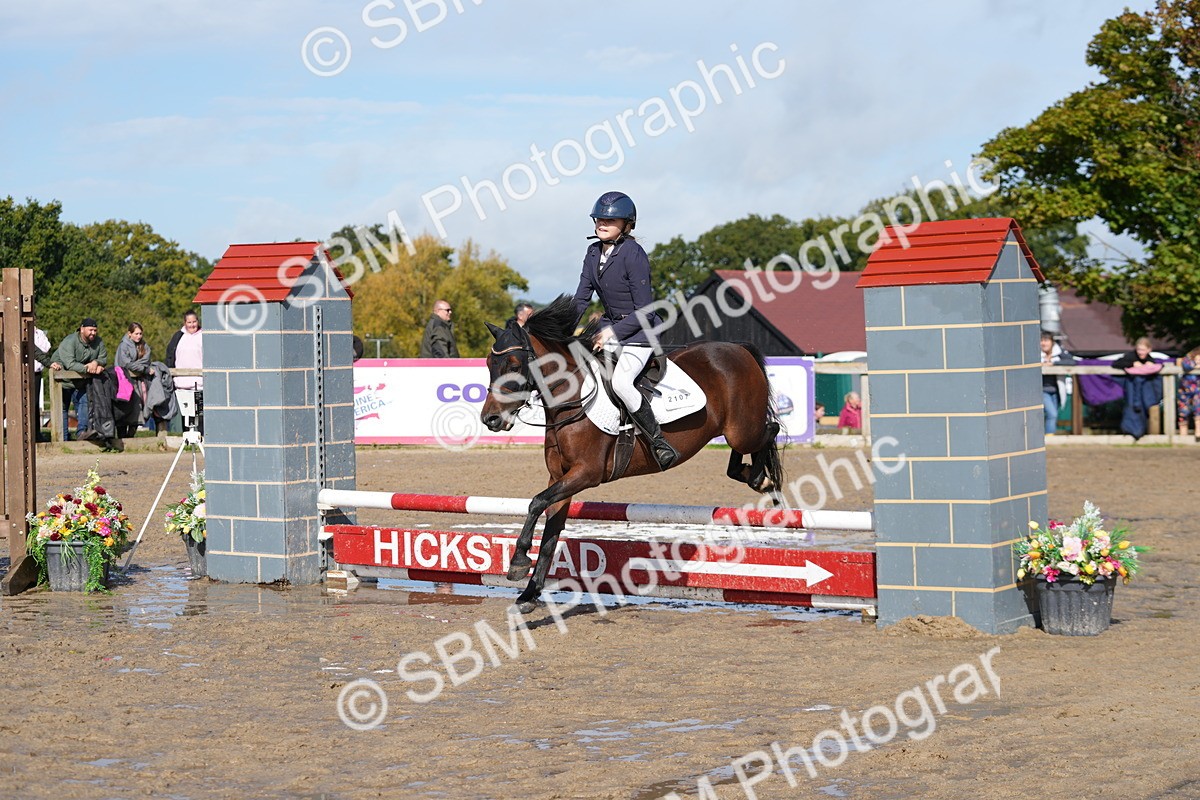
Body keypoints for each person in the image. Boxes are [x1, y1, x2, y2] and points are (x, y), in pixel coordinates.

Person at [571, 190, 678, 470]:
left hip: (639, 332)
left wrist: (614, 332)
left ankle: (658, 442)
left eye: (611, 220)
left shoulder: (633, 254)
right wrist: (563, 329)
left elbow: (646, 310)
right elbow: (582, 298)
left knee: (620, 383)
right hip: (608, 327)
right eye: (599, 220)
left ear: (627, 224)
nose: (602, 224)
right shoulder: (593, 252)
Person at [51, 318, 107, 440]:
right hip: (63, 380)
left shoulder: (98, 341)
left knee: (84, 403)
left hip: (81, 380)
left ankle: (82, 433)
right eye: (90, 330)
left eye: (95, 330)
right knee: (63, 409)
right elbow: (70, 364)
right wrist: (88, 369)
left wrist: (96, 362)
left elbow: (103, 357)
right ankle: (63, 439)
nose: (93, 333)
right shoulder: (70, 341)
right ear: (82, 329)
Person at [1113, 337, 1163, 440]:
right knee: (1131, 407)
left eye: (1143, 350)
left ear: (1149, 350)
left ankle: (1141, 431)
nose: (1140, 352)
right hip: (1132, 389)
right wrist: (1132, 364)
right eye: (1139, 349)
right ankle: (1129, 431)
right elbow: (1116, 364)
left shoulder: (1150, 359)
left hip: (1143, 391)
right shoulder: (1130, 356)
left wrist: (1150, 366)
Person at [166, 310, 204, 433]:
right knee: (186, 415)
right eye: (189, 322)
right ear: (185, 323)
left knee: (199, 414)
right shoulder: (178, 336)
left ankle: (202, 439)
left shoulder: (204, 335)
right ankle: (188, 440)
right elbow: (170, 356)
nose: (192, 325)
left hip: (199, 383)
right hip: (181, 383)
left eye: (194, 321)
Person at [115, 322, 155, 437]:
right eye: (136, 333)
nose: (139, 336)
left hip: (139, 382)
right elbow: (125, 363)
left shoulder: (144, 345)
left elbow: (146, 359)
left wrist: (136, 366)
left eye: (140, 333)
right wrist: (144, 368)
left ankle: (131, 436)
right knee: (124, 408)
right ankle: (121, 437)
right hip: (124, 381)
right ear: (129, 334)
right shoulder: (123, 346)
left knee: (138, 409)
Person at [1040, 332, 1076, 436]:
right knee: (1052, 414)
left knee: (1053, 414)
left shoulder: (1059, 352)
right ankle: (1050, 435)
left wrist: (1054, 363)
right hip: (1042, 390)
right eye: (1041, 341)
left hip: (1057, 390)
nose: (1043, 343)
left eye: (1046, 340)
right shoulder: (1034, 354)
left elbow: (1072, 362)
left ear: (1052, 342)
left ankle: (1049, 435)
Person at [1176, 346, 1200, 437]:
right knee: (1183, 412)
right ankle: (1183, 435)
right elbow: (1186, 365)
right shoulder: (1187, 360)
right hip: (1184, 391)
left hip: (1197, 391)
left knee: (1198, 409)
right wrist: (1195, 365)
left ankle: (1198, 431)